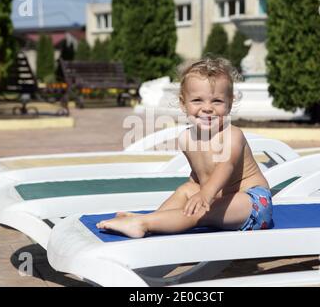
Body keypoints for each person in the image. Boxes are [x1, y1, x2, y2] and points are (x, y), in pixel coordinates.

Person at [96, 57, 273, 238]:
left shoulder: (232, 135)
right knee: (185, 190)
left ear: (229, 103)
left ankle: (144, 223)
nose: (207, 108)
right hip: (218, 198)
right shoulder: (186, 139)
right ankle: (156, 218)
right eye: (197, 100)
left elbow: (224, 167)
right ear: (183, 103)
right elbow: (198, 177)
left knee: (202, 211)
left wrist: (204, 195)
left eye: (217, 101)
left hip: (251, 202)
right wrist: (197, 192)